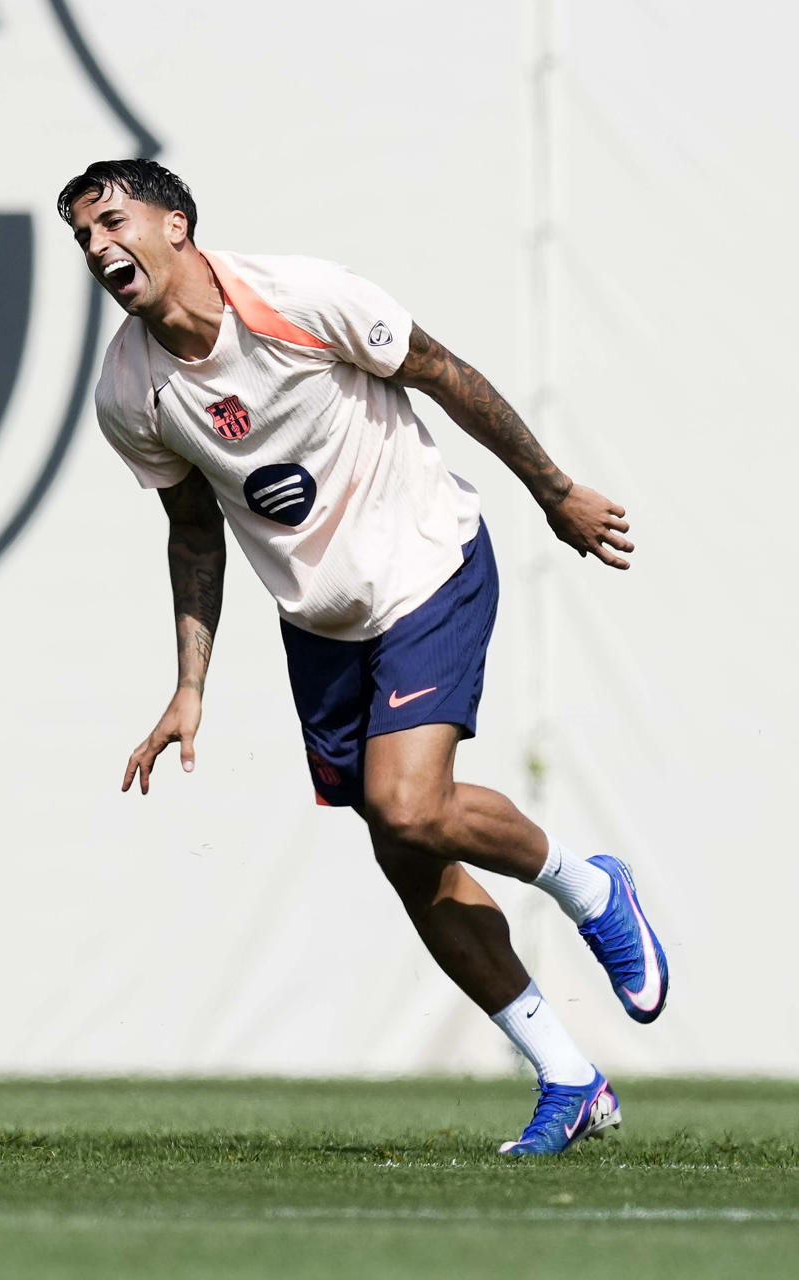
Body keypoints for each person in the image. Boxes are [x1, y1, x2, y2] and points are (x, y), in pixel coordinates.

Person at [61, 159, 667, 1156]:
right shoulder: (132, 391)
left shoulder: (302, 299)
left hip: (429, 562)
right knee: (408, 855)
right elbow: (195, 531)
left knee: (411, 801)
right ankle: (570, 1076)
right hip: (324, 624)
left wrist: (554, 491)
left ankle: (591, 887)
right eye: (83, 238)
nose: (98, 248)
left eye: (113, 223)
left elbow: (446, 373)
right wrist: (189, 685)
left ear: (176, 224)